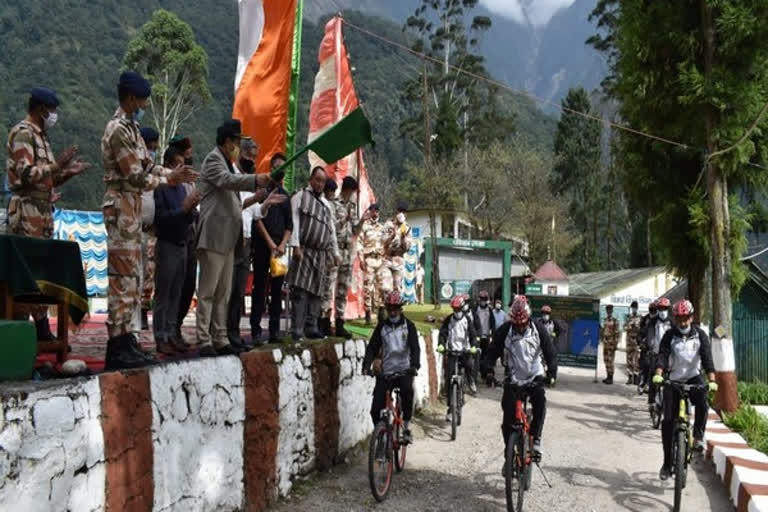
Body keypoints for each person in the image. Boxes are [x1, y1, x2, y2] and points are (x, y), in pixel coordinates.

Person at [101, 71, 197, 369]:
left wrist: (172, 175)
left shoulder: (132, 128)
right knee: (122, 280)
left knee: (134, 279)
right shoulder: (118, 129)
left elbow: (148, 165)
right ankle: (116, 344)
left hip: (132, 212)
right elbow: (135, 175)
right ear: (130, 99)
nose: (144, 104)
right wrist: (168, 181)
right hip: (121, 209)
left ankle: (127, 338)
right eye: (142, 99)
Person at [6, 86, 89, 341]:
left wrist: (65, 173)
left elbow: (46, 179)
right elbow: (26, 174)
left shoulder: (41, 137)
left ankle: (41, 329)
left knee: (40, 272)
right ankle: (20, 330)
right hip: (27, 211)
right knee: (25, 273)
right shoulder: (23, 134)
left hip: (42, 211)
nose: (54, 115)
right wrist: (57, 165)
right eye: (52, 110)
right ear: (42, 110)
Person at [195, 119, 279, 357]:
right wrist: (255, 180)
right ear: (228, 141)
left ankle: (220, 337)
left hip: (229, 237)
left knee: (224, 291)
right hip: (213, 235)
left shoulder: (229, 163)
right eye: (236, 142)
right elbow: (227, 182)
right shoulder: (214, 160)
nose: (237, 147)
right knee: (209, 290)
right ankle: (204, 338)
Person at [481, 295, 557, 462]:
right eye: (517, 324)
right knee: (507, 417)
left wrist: (551, 374)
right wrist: (488, 372)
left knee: (540, 403)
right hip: (514, 378)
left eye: (522, 324)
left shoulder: (538, 329)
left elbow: (550, 353)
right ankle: (510, 455)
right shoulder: (506, 330)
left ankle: (536, 439)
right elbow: (492, 352)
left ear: (528, 318)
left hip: (534, 375)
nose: (520, 327)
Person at [653, 299, 717, 481]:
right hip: (673, 379)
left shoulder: (700, 335)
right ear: (675, 318)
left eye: (686, 317)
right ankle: (666, 464)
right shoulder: (669, 335)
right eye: (679, 318)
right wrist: (659, 374)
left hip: (693, 377)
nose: (682, 322)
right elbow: (663, 356)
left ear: (692, 317)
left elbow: (707, 359)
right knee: (667, 422)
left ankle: (698, 436)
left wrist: (711, 380)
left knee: (703, 401)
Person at [152, 147, 201, 355]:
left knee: (177, 292)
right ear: (171, 165)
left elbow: (187, 215)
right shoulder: (161, 187)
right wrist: (183, 209)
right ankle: (160, 335)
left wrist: (192, 208)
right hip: (167, 242)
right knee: (163, 293)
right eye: (181, 164)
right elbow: (161, 218)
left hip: (183, 243)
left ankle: (172, 332)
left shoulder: (182, 188)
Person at [286, 167, 340, 341]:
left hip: (321, 253)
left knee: (317, 292)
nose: (319, 184)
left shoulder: (326, 205)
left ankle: (312, 327)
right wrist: (295, 246)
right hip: (304, 249)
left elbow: (331, 231)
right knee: (300, 291)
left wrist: (335, 253)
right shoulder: (300, 196)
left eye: (322, 181)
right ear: (311, 179)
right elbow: (294, 221)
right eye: (317, 180)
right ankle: (297, 329)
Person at [362, 291, 420, 444]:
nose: (393, 312)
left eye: (396, 308)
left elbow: (415, 348)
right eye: (390, 309)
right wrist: (366, 365)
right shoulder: (382, 327)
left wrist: (414, 366)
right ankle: (381, 435)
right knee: (375, 409)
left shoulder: (409, 326)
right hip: (386, 372)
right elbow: (372, 347)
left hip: (404, 370)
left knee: (408, 392)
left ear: (401, 309)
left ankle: (406, 427)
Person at [226, 137, 266, 348]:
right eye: (249, 156)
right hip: (232, 236)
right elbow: (236, 206)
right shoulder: (232, 175)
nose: (252, 160)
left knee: (239, 289)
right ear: (240, 154)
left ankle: (233, 332)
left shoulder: (249, 177)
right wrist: (255, 196)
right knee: (229, 288)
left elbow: (254, 212)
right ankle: (223, 333)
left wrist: (265, 202)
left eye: (254, 157)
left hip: (247, 239)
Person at [320, 176, 371, 338]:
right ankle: (324, 322)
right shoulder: (334, 204)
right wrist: (345, 218)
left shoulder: (353, 206)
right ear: (346, 190)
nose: (353, 195)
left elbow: (355, 231)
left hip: (349, 252)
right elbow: (331, 226)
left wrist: (361, 221)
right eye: (352, 192)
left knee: (343, 288)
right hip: (335, 251)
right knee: (329, 287)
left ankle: (340, 321)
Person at [251, 153, 293, 343]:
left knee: (277, 291)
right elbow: (256, 219)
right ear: (271, 168)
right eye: (276, 166)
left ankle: (274, 330)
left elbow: (289, 225)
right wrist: (270, 243)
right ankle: (256, 330)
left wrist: (282, 244)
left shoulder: (285, 195)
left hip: (280, 250)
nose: (279, 170)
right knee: (259, 288)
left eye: (282, 167)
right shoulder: (262, 191)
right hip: (262, 245)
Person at [171, 136, 200, 345]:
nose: (189, 155)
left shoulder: (191, 179)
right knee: (174, 286)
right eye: (185, 152)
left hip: (191, 235)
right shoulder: (172, 180)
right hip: (175, 234)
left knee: (189, 285)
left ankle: (177, 327)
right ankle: (168, 331)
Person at [437, 295, 479, 420]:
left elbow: (472, 334)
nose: (457, 312)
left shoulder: (467, 320)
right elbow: (443, 333)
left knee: (469, 365)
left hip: (464, 351)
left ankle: (471, 381)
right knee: (449, 378)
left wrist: (473, 346)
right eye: (454, 309)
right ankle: (450, 408)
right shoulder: (449, 320)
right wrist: (441, 344)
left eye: (458, 309)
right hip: (452, 351)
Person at [139, 127, 160, 331]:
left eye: (154, 148)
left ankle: (144, 311)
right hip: (134, 229)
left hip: (150, 230)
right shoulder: (134, 168)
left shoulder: (152, 169)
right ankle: (134, 314)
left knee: (148, 275)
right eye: (150, 147)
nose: (152, 151)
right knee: (134, 273)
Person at [378, 202, 413, 316]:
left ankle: (396, 315)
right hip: (387, 258)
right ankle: (382, 311)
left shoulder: (407, 228)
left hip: (399, 260)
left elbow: (407, 248)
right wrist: (391, 236)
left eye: (403, 212)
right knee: (385, 287)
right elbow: (382, 241)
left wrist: (403, 238)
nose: (401, 214)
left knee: (397, 289)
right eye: (399, 211)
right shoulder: (389, 224)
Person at [358, 203, 384, 325]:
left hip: (380, 260)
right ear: (370, 211)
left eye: (377, 210)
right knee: (368, 288)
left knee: (381, 288)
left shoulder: (382, 227)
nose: (375, 212)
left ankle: (381, 315)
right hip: (369, 259)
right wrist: (361, 259)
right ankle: (368, 314)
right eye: (373, 210)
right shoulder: (364, 226)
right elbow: (359, 243)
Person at [647, 297, 673, 411]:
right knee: (653, 376)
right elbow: (650, 335)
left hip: (670, 354)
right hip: (656, 353)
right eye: (661, 308)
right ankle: (652, 401)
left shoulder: (673, 322)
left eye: (665, 308)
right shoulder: (653, 322)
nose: (663, 311)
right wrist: (650, 346)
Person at [637, 301, 657, 391]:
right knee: (645, 365)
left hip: (657, 348)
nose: (652, 312)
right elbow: (640, 333)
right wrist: (640, 343)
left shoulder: (660, 321)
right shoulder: (645, 319)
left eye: (654, 310)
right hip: (646, 347)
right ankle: (643, 382)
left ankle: (650, 385)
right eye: (651, 310)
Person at [623, 300, 643, 385]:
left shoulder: (640, 317)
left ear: (637, 308)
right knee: (629, 360)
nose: (633, 309)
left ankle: (636, 378)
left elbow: (642, 329)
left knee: (637, 360)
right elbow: (624, 328)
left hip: (637, 341)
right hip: (629, 341)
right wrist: (630, 326)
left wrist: (637, 327)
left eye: (635, 308)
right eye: (632, 308)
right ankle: (630, 377)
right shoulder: (628, 317)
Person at [600, 304, 620, 384]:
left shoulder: (615, 321)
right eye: (607, 310)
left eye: (610, 310)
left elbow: (617, 333)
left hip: (611, 343)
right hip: (605, 343)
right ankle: (608, 376)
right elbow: (603, 331)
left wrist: (615, 344)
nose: (608, 311)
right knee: (606, 360)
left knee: (611, 360)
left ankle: (611, 377)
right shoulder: (605, 320)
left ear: (612, 311)